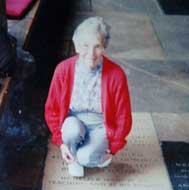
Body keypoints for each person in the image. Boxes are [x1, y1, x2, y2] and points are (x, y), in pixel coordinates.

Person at [45, 16, 132, 177]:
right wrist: (62, 143)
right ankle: (73, 158)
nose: (91, 53)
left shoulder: (116, 74)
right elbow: (51, 110)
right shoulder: (63, 70)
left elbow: (123, 117)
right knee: (72, 130)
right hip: (74, 121)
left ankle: (87, 154)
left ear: (104, 47)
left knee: (87, 157)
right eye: (85, 45)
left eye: (97, 46)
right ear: (77, 46)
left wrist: (112, 149)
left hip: (101, 125)